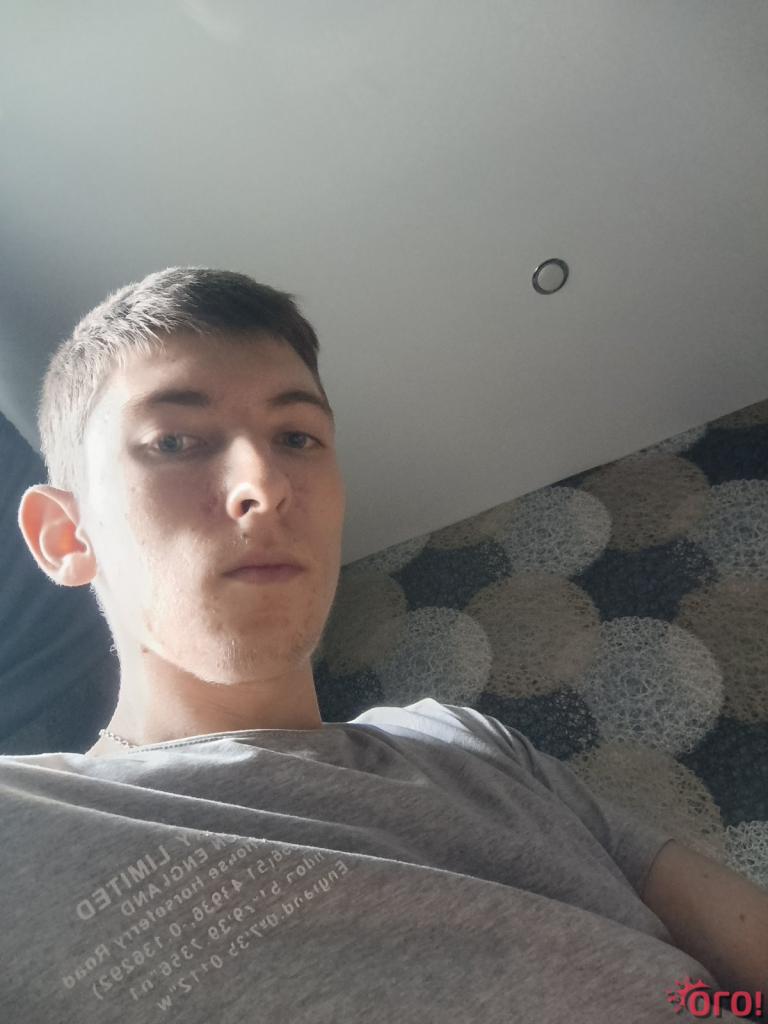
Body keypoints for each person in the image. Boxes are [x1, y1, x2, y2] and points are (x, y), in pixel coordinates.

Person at [1, 268, 763, 1022]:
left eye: (297, 437)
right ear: (66, 536)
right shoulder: (27, 823)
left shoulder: (465, 739)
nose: (264, 481)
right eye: (173, 441)